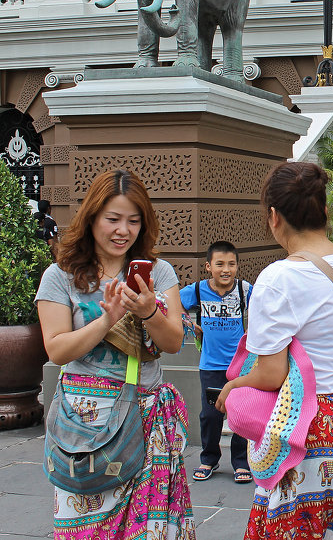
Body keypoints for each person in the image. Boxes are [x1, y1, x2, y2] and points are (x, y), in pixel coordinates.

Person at [216, 161, 333, 540]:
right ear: (325, 211)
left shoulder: (277, 278)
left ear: (274, 217)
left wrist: (235, 385)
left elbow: (271, 374)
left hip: (309, 432)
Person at [35, 169, 193, 540]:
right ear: (92, 218)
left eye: (134, 221)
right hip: (84, 424)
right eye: (113, 219)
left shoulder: (158, 272)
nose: (124, 230)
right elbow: (57, 348)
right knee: (83, 527)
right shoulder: (61, 276)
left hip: (144, 416)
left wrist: (147, 310)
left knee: (147, 531)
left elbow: (172, 342)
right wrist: (107, 319)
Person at [180, 240, 253, 484]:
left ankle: (241, 462)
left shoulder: (244, 289)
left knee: (240, 414)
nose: (226, 269)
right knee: (211, 415)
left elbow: (265, 307)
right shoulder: (198, 290)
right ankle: (209, 458)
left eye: (231, 264)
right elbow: (173, 303)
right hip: (210, 365)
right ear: (209, 266)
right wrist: (186, 321)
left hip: (241, 365)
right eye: (220, 264)